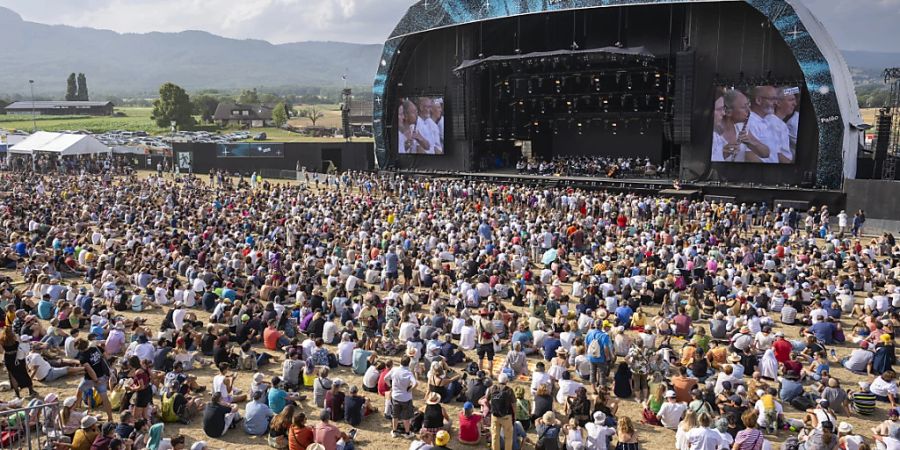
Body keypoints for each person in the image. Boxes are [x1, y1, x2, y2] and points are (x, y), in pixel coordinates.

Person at [387, 355, 417, 438]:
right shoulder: (409, 373)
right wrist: (410, 389)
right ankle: (407, 433)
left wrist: (390, 386)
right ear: (409, 363)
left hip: (395, 396)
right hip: (406, 398)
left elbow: (386, 378)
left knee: (395, 415)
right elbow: (415, 383)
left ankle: (394, 431)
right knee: (406, 417)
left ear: (400, 361)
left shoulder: (394, 370)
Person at [488, 373, 516, 450]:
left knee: (495, 436)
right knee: (508, 437)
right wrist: (515, 415)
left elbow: (487, 400)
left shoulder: (492, 388)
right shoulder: (509, 391)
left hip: (495, 416)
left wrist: (491, 408)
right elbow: (514, 404)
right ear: (506, 381)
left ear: (498, 380)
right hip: (506, 417)